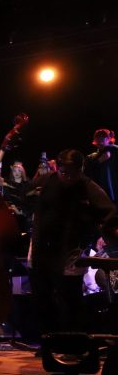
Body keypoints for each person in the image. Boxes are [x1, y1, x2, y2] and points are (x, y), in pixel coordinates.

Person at [29, 150, 116, 337]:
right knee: (43, 295)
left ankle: (73, 340)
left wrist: (98, 235)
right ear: (58, 169)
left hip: (71, 250)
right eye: (63, 173)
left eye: (72, 174)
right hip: (43, 248)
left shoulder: (88, 187)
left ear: (80, 170)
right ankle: (49, 339)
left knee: (69, 297)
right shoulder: (46, 182)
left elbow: (109, 213)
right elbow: (25, 196)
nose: (68, 178)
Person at [86, 128, 118, 204]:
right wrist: (99, 161)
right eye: (98, 139)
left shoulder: (115, 151)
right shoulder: (91, 157)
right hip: (101, 193)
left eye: (102, 139)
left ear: (108, 139)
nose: (100, 142)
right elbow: (87, 173)